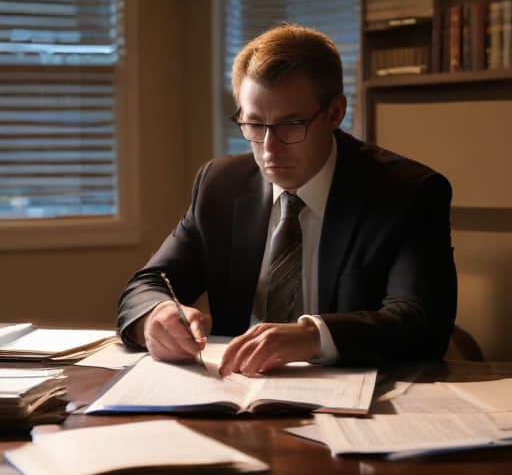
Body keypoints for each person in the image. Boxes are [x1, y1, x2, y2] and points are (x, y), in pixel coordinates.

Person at [117, 23, 457, 375]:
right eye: (254, 125)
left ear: (335, 113)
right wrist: (155, 315)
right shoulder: (220, 185)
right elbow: (147, 285)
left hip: (354, 401)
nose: (269, 148)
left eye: (291, 124)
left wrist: (312, 336)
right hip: (231, 393)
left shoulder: (407, 191)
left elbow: (422, 323)